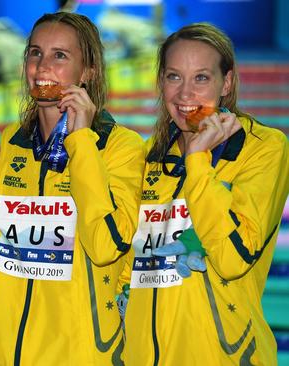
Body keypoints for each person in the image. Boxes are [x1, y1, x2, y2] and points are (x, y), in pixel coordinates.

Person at [0, 12, 145, 365]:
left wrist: (81, 141)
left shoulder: (121, 147)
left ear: (88, 72)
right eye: (35, 53)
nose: (42, 67)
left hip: (78, 351)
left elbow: (108, 245)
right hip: (6, 350)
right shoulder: (13, 141)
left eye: (59, 56)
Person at [118, 23, 289, 365]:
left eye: (201, 78)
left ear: (226, 83)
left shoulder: (264, 149)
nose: (184, 95)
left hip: (221, 354)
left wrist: (197, 161)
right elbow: (132, 259)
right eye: (173, 77)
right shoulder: (149, 156)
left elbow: (231, 259)